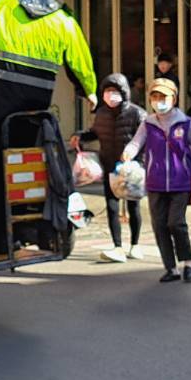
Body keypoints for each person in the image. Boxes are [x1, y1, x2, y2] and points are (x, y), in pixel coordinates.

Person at [0, 0, 96, 245]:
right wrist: (90, 92)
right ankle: (24, 228)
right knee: (25, 170)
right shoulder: (64, 20)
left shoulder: (4, 6)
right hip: (31, 112)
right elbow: (80, 64)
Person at [121, 78, 191, 283]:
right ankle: (171, 268)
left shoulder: (185, 123)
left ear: (174, 98)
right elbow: (136, 143)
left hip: (181, 182)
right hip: (155, 183)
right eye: (155, 96)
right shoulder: (148, 123)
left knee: (176, 223)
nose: (159, 101)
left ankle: (188, 262)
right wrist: (127, 153)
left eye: (163, 97)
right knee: (160, 225)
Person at [73, 73, 146, 262]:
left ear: (124, 92)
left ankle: (135, 245)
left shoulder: (137, 113)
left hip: (131, 169)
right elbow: (94, 133)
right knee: (112, 207)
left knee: (133, 206)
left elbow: (146, 140)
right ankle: (117, 246)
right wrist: (80, 136)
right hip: (108, 166)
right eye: (107, 91)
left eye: (114, 91)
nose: (110, 95)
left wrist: (141, 163)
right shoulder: (102, 113)